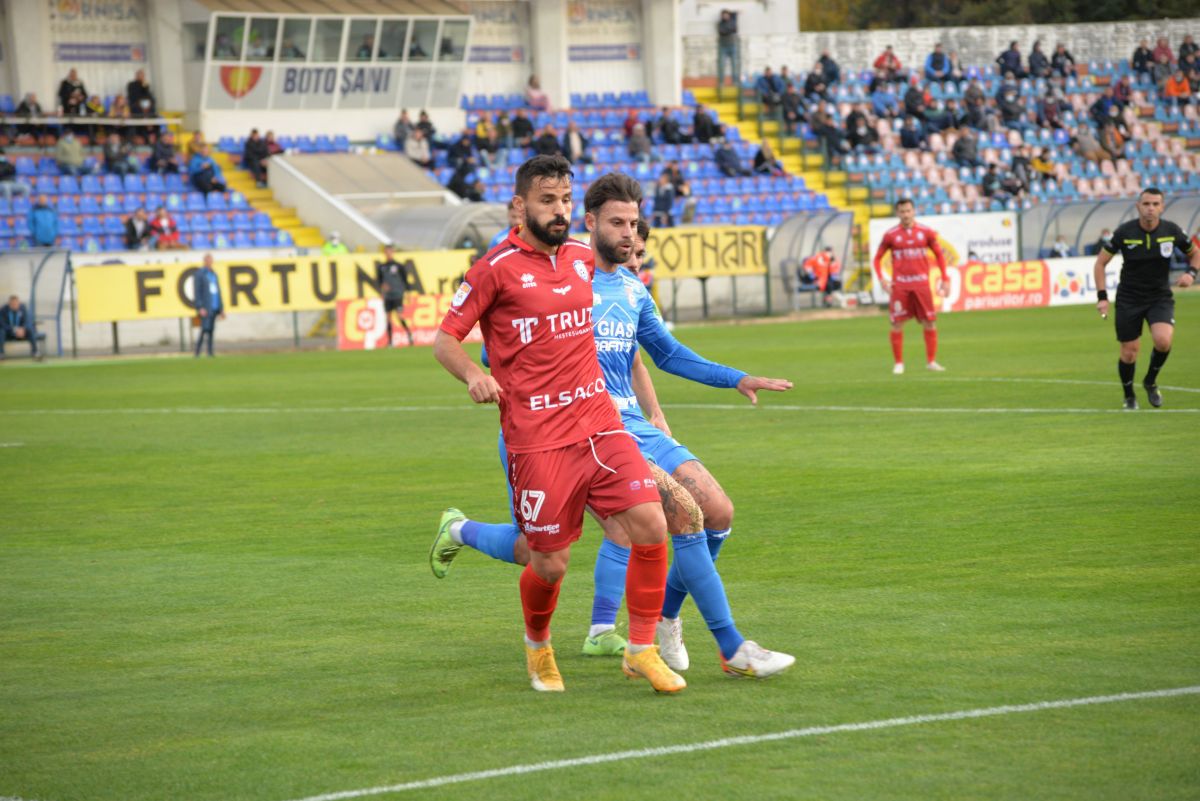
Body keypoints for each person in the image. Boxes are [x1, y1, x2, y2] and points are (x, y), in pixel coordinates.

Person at [431, 183, 796, 680]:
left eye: (635, 228)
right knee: (540, 554)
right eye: (619, 225)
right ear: (589, 224)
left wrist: (733, 378)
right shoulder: (559, 272)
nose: (630, 238)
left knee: (708, 512)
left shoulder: (630, 288)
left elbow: (655, 355)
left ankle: (667, 627)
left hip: (618, 427)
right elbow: (498, 347)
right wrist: (489, 375)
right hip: (549, 431)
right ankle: (460, 531)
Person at [432, 156, 684, 694]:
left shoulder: (577, 256)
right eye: (549, 201)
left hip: (599, 422)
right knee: (548, 562)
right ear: (521, 206)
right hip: (538, 438)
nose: (561, 211)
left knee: (652, 524)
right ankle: (538, 646)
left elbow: (618, 260)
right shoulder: (493, 268)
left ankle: (640, 650)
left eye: (567, 200)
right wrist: (475, 375)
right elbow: (444, 339)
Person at [1093, 187, 1199, 410]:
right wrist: (1102, 297)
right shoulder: (1124, 232)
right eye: (1146, 204)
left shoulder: (1172, 231)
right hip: (1129, 298)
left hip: (1159, 296)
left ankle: (1150, 381)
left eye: (1155, 204)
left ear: (1162, 207)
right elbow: (1100, 263)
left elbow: (1195, 253)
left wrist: (1191, 274)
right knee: (1129, 352)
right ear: (1138, 206)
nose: (1150, 208)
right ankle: (1129, 395)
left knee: (1163, 341)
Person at [873, 197, 949, 374]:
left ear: (914, 211)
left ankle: (931, 361)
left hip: (922, 284)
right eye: (902, 211)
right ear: (897, 213)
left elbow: (939, 255)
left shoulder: (926, 232)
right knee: (897, 323)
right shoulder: (890, 235)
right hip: (900, 286)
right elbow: (877, 258)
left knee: (929, 322)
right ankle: (899, 363)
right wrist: (882, 279)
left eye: (908, 211)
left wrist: (944, 278)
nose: (906, 214)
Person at [375, 244, 416, 347]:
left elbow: (405, 281)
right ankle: (390, 342)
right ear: (384, 252)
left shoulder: (399, 266)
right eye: (386, 251)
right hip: (388, 296)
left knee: (399, 316)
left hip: (397, 294)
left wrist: (408, 293)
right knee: (388, 318)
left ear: (392, 252)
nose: (388, 253)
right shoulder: (381, 267)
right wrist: (382, 289)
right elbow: (380, 282)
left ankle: (409, 335)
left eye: (390, 251)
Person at [193, 254, 224, 358]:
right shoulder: (200, 274)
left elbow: (218, 292)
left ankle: (210, 352)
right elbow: (197, 292)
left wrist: (221, 308)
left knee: (211, 330)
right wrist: (200, 306)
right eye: (209, 260)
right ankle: (197, 351)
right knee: (204, 329)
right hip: (206, 306)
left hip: (214, 306)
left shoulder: (213, 274)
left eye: (211, 259)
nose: (210, 261)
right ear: (205, 261)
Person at [1, 295, 43, 361]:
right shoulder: (3, 310)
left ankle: (35, 352)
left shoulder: (23, 308)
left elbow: (27, 321)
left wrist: (23, 329)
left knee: (30, 330)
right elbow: (3, 324)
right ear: (9, 304)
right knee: (1, 332)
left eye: (16, 303)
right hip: (9, 332)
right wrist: (14, 330)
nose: (14, 305)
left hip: (22, 332)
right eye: (12, 304)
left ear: (19, 303)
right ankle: (1, 353)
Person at [716, 9, 739, 92]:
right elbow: (721, 32)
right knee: (721, 65)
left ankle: (735, 81)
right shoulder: (720, 24)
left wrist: (727, 30)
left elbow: (735, 29)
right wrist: (729, 30)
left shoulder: (733, 22)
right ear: (721, 16)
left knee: (734, 65)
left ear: (729, 15)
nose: (725, 16)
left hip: (732, 46)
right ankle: (721, 82)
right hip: (723, 47)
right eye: (723, 15)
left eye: (727, 14)